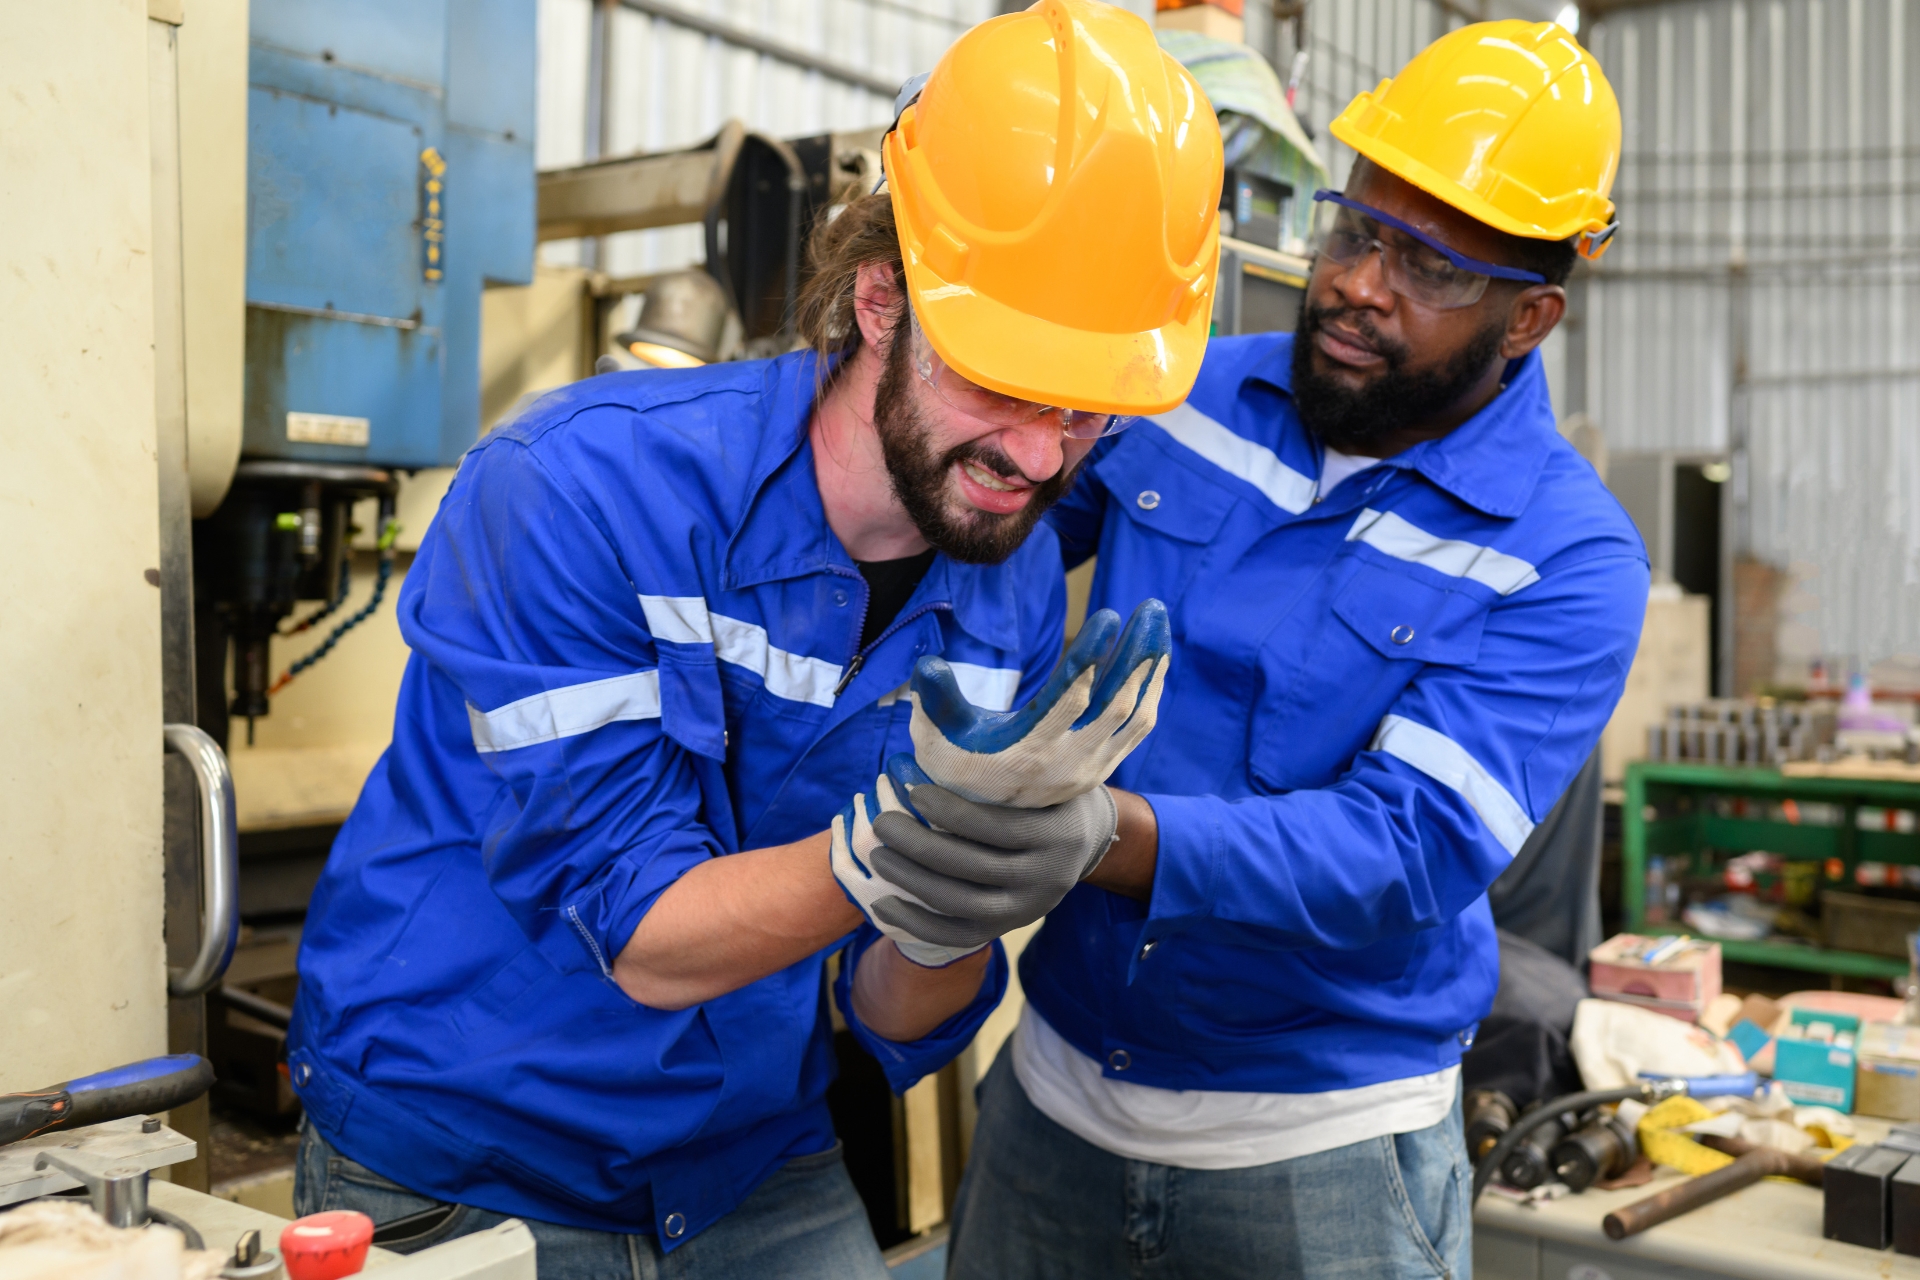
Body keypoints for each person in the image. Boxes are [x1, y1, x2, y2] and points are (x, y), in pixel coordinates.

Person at [284, 4, 1222, 1277]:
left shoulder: (1004, 587)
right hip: (461, 1158)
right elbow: (645, 932)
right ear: (882, 302)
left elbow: (889, 1011)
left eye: (1089, 411)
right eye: (1003, 380)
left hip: (747, 1156)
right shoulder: (575, 489)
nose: (1039, 455)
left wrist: (975, 896)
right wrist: (907, 848)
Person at [932, 21, 1649, 1278]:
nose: (1361, 283)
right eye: (1356, 229)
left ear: (1530, 316)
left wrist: (1099, 833)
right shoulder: (1179, 396)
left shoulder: (1566, 557)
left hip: (1322, 1164)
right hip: (1050, 1111)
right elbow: (982, 533)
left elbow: (1401, 849)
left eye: (1430, 268)